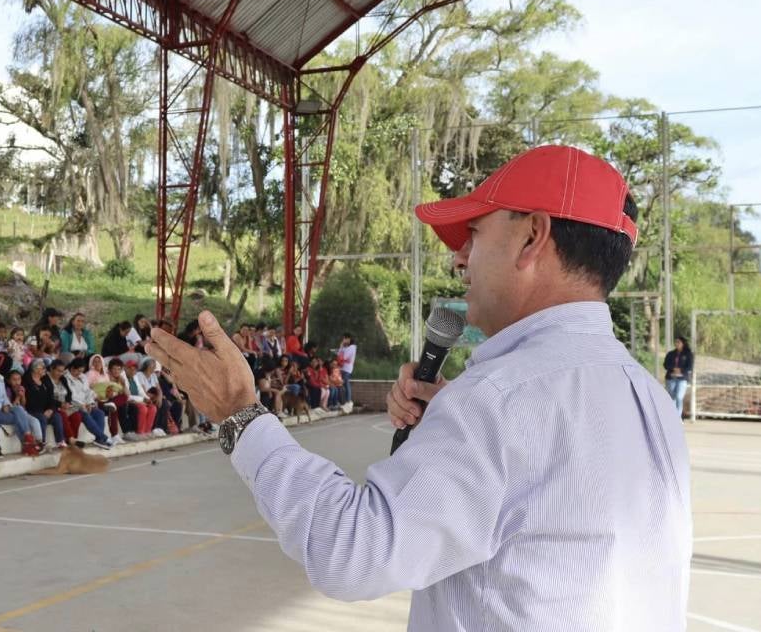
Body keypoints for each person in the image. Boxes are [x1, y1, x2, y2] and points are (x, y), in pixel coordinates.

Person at [146, 144, 690, 630]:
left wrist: (239, 413)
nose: (459, 258)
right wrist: (450, 425)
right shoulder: (649, 399)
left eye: (474, 235)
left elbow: (352, 552)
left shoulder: (500, 399)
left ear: (532, 237)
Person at [61, 357, 113, 448]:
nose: (80, 373)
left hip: (85, 405)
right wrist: (83, 405)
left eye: (81, 371)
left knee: (99, 413)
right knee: (84, 414)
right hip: (73, 406)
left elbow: (88, 391)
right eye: (78, 371)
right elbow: (71, 396)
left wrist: (89, 403)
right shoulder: (65, 378)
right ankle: (104, 438)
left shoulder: (82, 377)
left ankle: (99, 439)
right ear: (72, 368)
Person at [23, 359, 66, 449]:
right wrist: (43, 412)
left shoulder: (45, 380)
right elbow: (30, 401)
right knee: (42, 418)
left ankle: (60, 441)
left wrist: (50, 409)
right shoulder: (27, 381)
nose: (45, 370)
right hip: (32, 410)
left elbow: (51, 398)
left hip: (45, 410)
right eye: (43, 368)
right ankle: (41, 443)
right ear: (35, 369)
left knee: (57, 416)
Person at [120, 359, 157, 439]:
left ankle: (147, 431)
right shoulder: (122, 378)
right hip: (130, 401)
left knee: (153, 408)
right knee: (143, 408)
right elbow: (128, 396)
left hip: (139, 400)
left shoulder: (135, 377)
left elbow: (141, 391)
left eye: (134, 369)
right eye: (130, 369)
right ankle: (140, 431)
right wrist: (142, 400)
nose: (132, 371)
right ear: (125, 369)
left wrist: (147, 399)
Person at [4, 368, 42, 441]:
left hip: (22, 412)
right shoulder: (8, 390)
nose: (17, 382)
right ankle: (28, 440)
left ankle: (39, 440)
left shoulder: (21, 388)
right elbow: (11, 406)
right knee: (20, 412)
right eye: (14, 380)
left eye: (19, 379)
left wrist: (23, 395)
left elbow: (23, 406)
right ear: (9, 381)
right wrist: (18, 396)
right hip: (12, 412)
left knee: (35, 421)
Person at [664, 337, 695, 418]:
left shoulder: (688, 354)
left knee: (679, 397)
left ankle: (678, 417)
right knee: (672, 398)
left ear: (683, 343)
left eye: (678, 342)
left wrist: (681, 370)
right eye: (676, 342)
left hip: (682, 379)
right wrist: (673, 369)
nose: (676, 344)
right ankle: (672, 416)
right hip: (671, 378)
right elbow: (665, 365)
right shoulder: (671, 353)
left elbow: (690, 367)